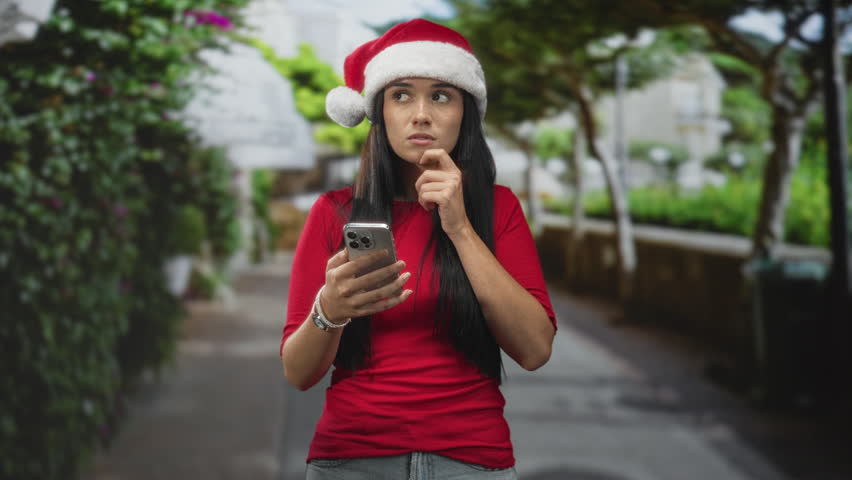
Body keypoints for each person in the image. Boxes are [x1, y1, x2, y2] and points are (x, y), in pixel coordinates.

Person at [280, 18, 557, 480]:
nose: (421, 114)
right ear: (380, 111)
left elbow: (534, 350)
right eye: (402, 94)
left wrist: (461, 227)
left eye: (441, 95)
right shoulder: (334, 212)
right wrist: (329, 309)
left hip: (472, 459)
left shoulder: (499, 208)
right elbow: (298, 372)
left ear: (464, 112)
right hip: (351, 460)